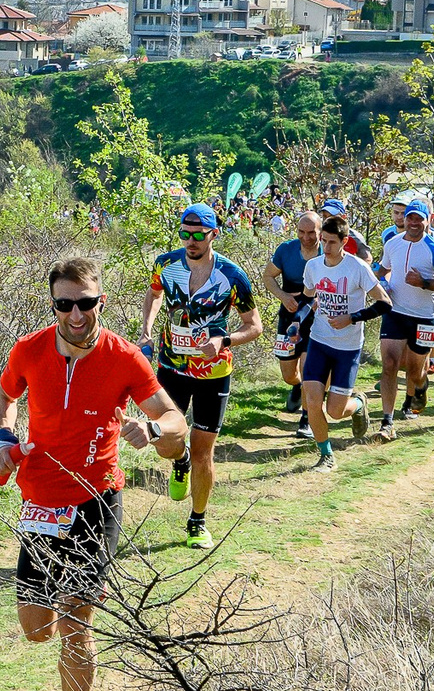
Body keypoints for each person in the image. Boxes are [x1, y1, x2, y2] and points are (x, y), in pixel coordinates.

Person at [0, 257, 187, 691]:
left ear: (101, 301)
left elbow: (174, 419)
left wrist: (156, 432)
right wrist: (1, 436)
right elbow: (4, 393)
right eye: (64, 304)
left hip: (94, 500)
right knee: (37, 628)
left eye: (85, 303)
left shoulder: (123, 358)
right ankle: (63, 638)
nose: (75, 314)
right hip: (38, 501)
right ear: (53, 303)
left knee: (77, 625)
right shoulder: (30, 350)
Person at [139, 203, 259, 550]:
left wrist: (224, 340)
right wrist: (146, 330)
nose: (190, 241)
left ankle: (197, 520)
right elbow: (154, 293)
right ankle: (180, 461)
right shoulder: (166, 263)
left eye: (198, 235)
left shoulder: (232, 276)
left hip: (213, 373)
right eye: (185, 234)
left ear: (213, 235)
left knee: (204, 449)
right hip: (171, 366)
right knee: (165, 443)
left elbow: (254, 326)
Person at [297, 215, 386, 470]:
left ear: (345, 242)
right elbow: (306, 300)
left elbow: (384, 304)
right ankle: (326, 455)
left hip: (347, 348)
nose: (326, 247)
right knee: (313, 400)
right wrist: (296, 322)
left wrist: (353, 317)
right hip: (319, 341)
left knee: (335, 412)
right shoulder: (313, 267)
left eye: (332, 242)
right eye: (323, 241)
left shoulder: (358, 268)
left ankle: (358, 404)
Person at [374, 198, 434, 438]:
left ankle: (420, 387)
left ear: (427, 221)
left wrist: (424, 283)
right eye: (409, 217)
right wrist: (375, 280)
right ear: (404, 219)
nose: (413, 222)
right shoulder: (392, 243)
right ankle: (387, 422)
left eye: (418, 218)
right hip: (395, 312)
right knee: (389, 364)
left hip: (425, 316)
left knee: (414, 372)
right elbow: (383, 269)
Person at [263, 208, 323, 440]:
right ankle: (296, 387)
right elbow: (268, 276)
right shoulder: (286, 250)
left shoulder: (326, 252)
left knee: (310, 372)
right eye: (302, 232)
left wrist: (322, 298)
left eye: (311, 232)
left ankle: (306, 420)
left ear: (320, 231)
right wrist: (283, 296)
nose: (306, 237)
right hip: (289, 317)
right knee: (289, 373)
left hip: (317, 319)